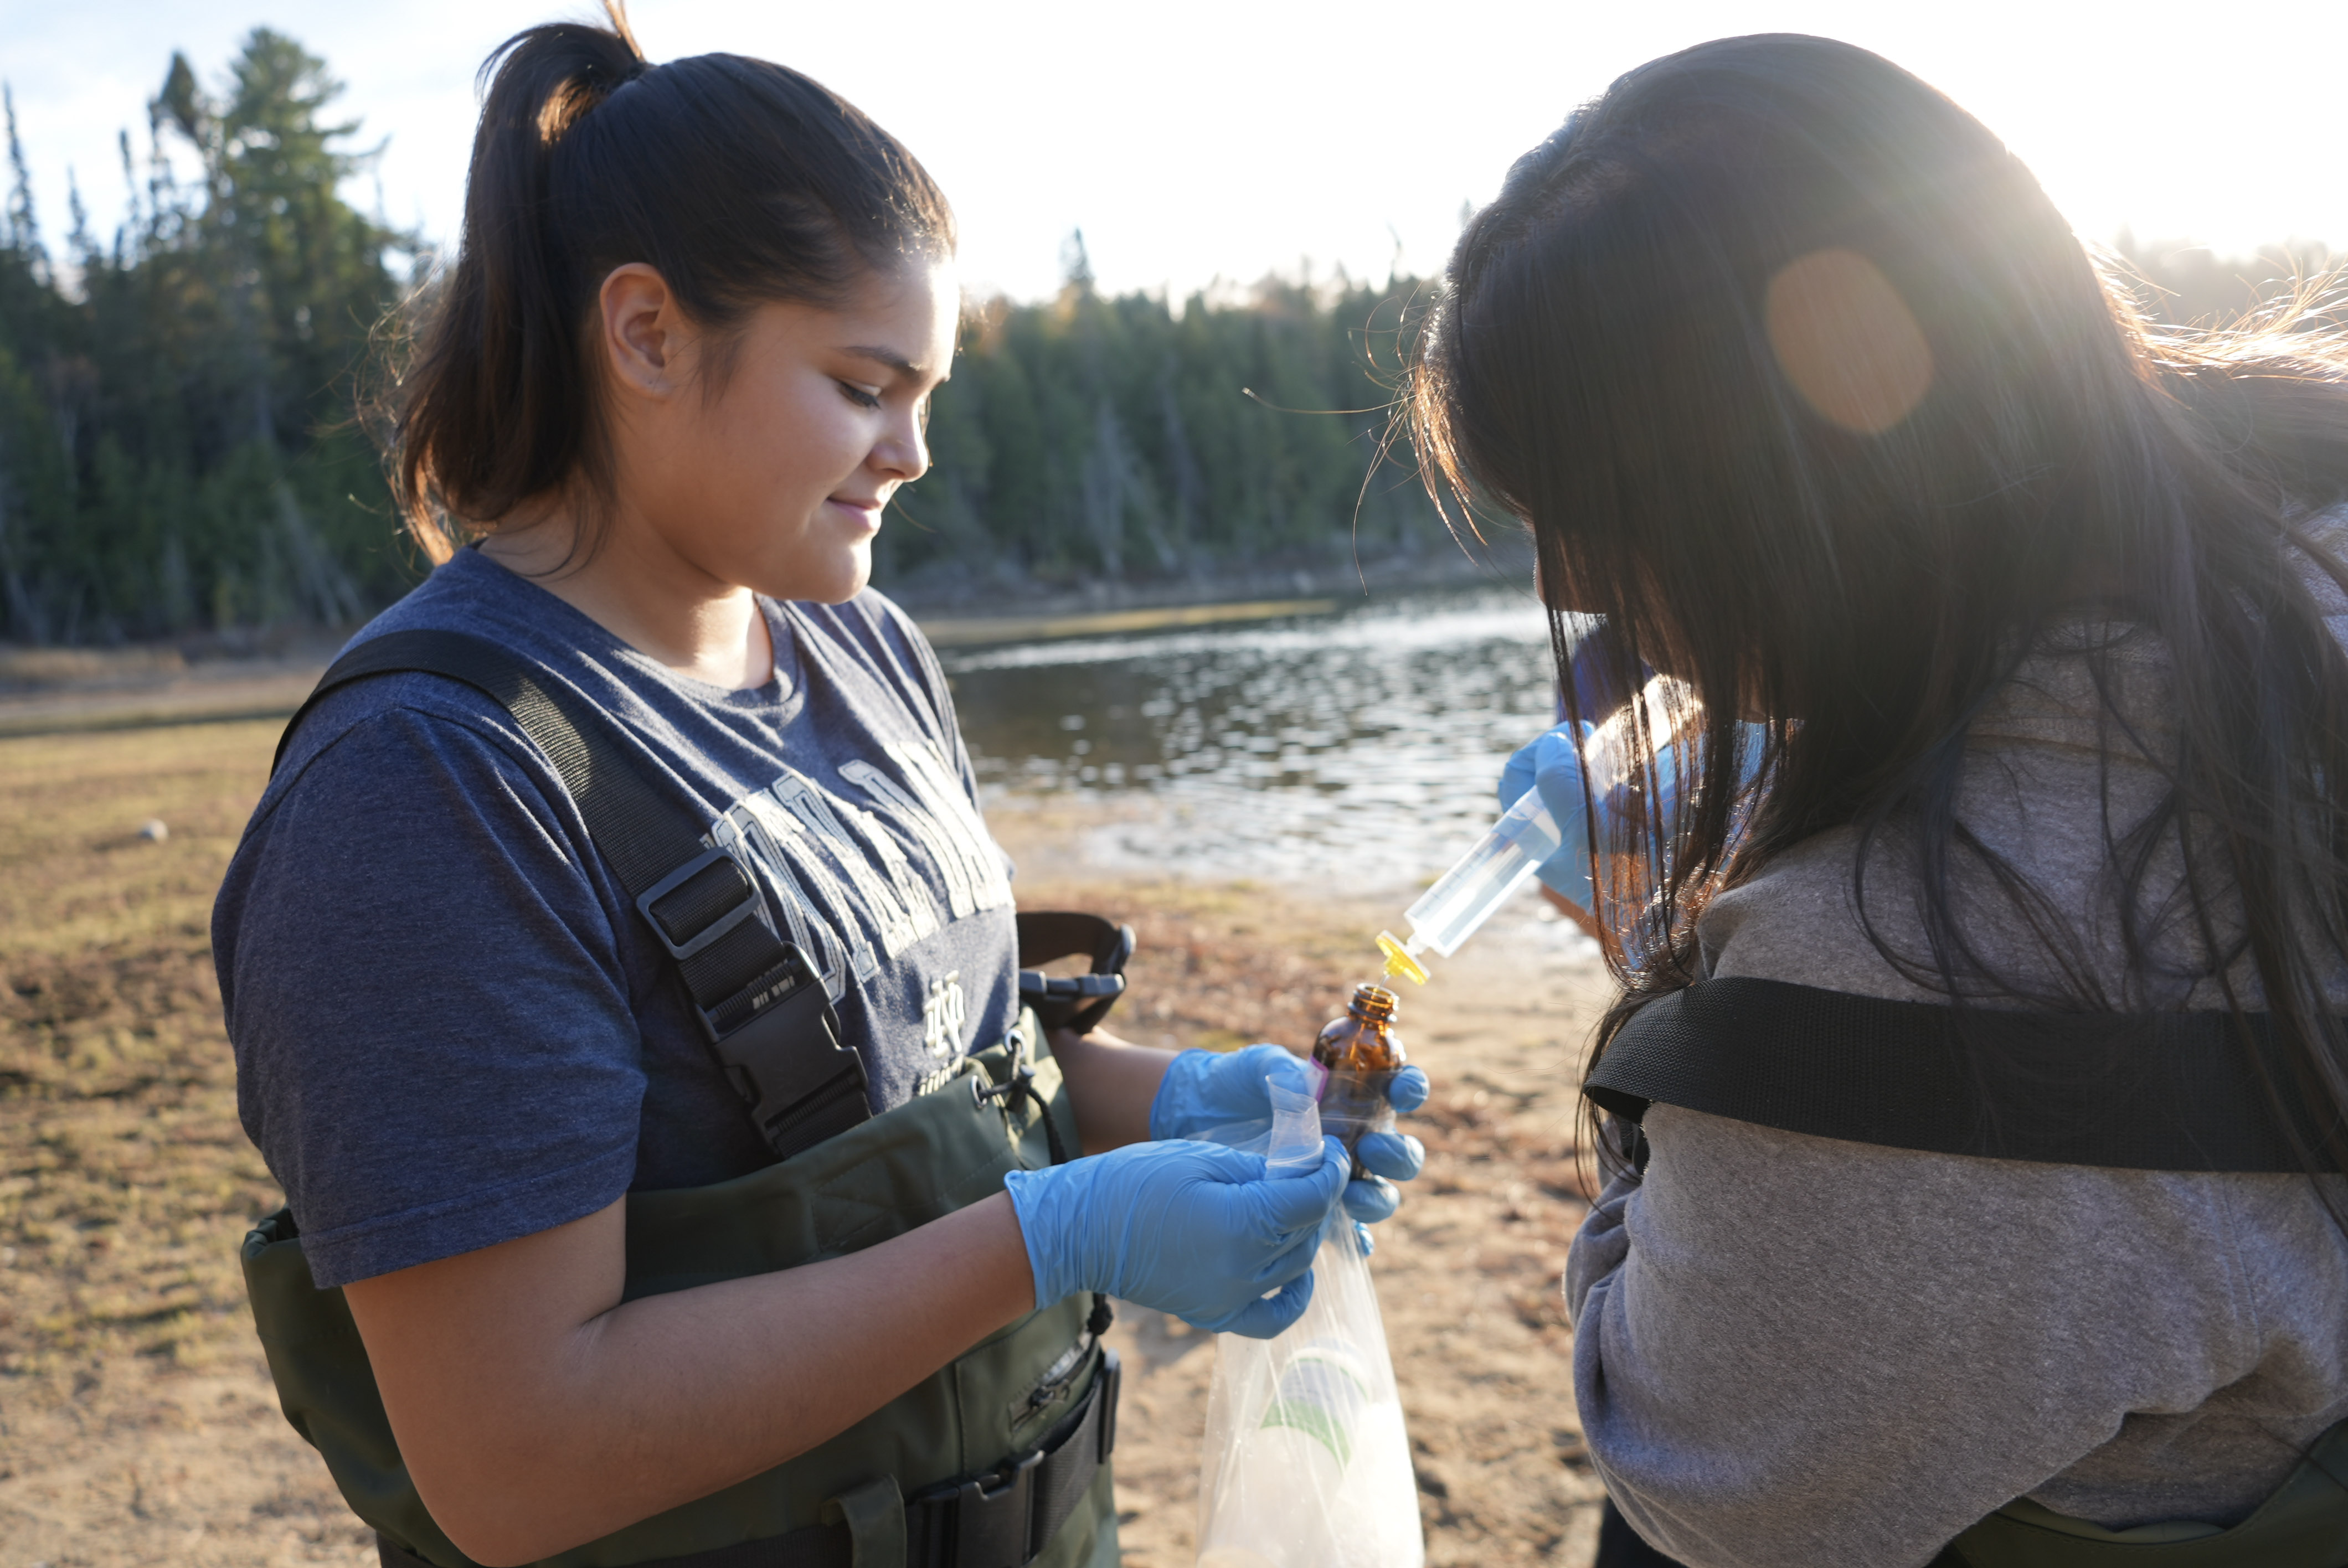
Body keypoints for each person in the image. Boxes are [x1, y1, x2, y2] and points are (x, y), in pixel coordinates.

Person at [213, 10, 1425, 1567]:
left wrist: (1192, 1103)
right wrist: (1064, 1232)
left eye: (928, 393)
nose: (913, 453)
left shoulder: (865, 651)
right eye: (865, 384)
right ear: (646, 334)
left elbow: (950, 1065)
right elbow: (516, 1457)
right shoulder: (429, 785)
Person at [1410, 32, 2348, 1568]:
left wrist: (1684, 998)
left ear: (1794, 488)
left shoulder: (1891, 982)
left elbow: (1701, 1462)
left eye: (1592, 515)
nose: (1576, 590)